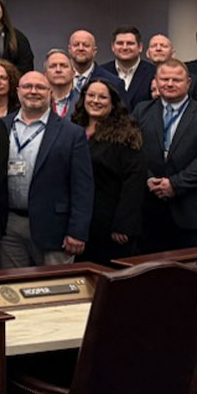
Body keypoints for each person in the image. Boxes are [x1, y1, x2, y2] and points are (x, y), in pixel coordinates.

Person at [0, 70, 93, 267]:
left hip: (54, 227)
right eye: (27, 87)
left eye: (40, 87)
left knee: (56, 291)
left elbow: (83, 187)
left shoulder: (71, 133)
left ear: (50, 92)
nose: (33, 91)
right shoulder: (1, 127)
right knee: (14, 291)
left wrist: (77, 231)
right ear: (17, 92)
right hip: (10, 225)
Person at [137, 60, 197, 250]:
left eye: (176, 79)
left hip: (195, 216)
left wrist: (174, 184)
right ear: (156, 81)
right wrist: (148, 178)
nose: (169, 84)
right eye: (164, 79)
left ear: (188, 83)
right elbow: (131, 152)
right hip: (150, 213)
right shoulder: (141, 111)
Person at [72, 78, 149, 259]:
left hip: (110, 225)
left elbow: (134, 182)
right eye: (91, 95)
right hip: (79, 223)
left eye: (102, 97)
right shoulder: (73, 128)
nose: (96, 101)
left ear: (113, 103)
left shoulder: (126, 134)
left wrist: (123, 225)